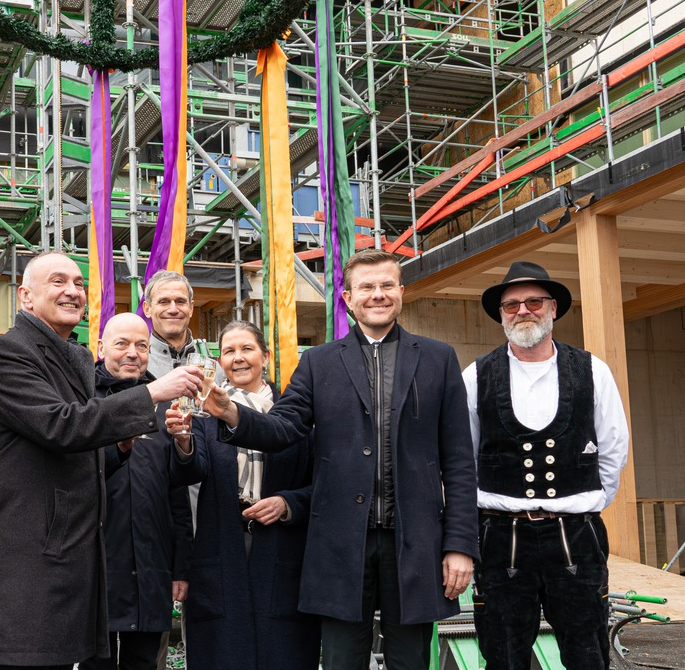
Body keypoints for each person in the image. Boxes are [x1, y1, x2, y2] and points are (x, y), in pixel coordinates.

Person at [203, 249, 479, 670]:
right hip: (338, 546)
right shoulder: (318, 362)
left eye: (386, 285)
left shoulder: (438, 359)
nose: (377, 295)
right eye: (366, 287)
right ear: (347, 297)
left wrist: (459, 545)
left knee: (411, 661)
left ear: (401, 292)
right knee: (339, 661)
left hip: (416, 543)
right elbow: (283, 427)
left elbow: (459, 461)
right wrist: (231, 414)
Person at [0, 252, 204, 670]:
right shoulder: (8, 353)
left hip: (73, 558)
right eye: (58, 281)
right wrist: (151, 393)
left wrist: (121, 445)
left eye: (79, 283)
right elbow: (61, 426)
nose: (73, 291)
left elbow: (85, 451)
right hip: (31, 557)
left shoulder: (70, 357)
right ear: (25, 296)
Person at [464, 261, 629, 670]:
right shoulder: (475, 375)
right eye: (512, 305)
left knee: (587, 650)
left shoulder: (593, 370)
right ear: (501, 314)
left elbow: (613, 447)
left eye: (534, 301)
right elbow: (462, 458)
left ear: (553, 308)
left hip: (575, 535)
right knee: (502, 654)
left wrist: (585, 503)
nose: (523, 311)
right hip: (500, 536)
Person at [165, 320, 318, 670]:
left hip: (282, 548)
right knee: (223, 654)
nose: (238, 358)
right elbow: (189, 471)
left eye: (247, 349)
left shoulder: (297, 415)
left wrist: (288, 504)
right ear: (219, 362)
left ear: (265, 356)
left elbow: (321, 485)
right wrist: (184, 441)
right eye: (229, 351)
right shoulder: (203, 414)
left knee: (284, 654)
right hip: (222, 549)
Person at [79, 313, 193, 670]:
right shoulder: (81, 401)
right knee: (95, 662)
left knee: (144, 662)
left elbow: (177, 492)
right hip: (94, 561)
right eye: (122, 344)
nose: (133, 353)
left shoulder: (168, 403)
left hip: (150, 561)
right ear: (100, 348)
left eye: (141, 345)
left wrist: (180, 565)